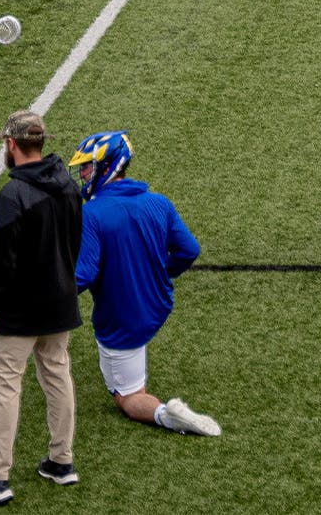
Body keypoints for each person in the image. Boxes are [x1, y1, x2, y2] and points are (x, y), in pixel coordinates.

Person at [0, 111, 81, 507]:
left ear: (11, 144)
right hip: (60, 300)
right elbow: (75, 242)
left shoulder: (12, 196)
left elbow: (3, 262)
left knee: (4, 386)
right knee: (57, 374)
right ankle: (61, 461)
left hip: (19, 310)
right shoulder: (68, 183)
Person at [69, 131, 221, 439]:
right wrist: (159, 275)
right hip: (157, 303)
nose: (82, 174)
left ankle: (167, 415)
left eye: (87, 167)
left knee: (128, 396)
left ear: (109, 166)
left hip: (121, 318)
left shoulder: (92, 215)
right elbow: (189, 250)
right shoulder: (159, 203)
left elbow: (81, 277)